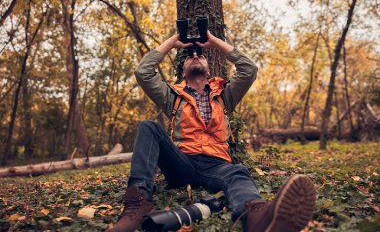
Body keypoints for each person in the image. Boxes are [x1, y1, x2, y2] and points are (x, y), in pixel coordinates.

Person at [106, 32, 316, 232]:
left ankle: (257, 217)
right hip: (183, 162)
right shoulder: (173, 97)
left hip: (217, 165)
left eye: (201, 55)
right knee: (148, 127)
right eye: (189, 56)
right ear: (183, 71)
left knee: (238, 172)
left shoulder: (225, 96)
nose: (195, 55)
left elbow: (249, 69)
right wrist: (173, 41)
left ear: (209, 70)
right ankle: (137, 204)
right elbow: (143, 72)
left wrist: (214, 41)